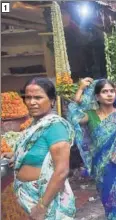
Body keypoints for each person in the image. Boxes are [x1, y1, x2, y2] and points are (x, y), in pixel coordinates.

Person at [1, 78, 76, 219]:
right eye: (28, 97)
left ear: (52, 100)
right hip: (28, 197)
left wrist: (42, 206)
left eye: (38, 97)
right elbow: (36, 153)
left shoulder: (55, 126)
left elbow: (61, 170)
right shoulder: (34, 125)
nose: (31, 102)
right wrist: (15, 156)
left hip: (45, 199)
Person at [68, 78, 116, 219]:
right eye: (104, 92)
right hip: (103, 168)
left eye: (112, 91)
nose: (109, 94)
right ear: (97, 97)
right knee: (110, 202)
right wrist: (81, 89)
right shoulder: (90, 116)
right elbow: (73, 116)